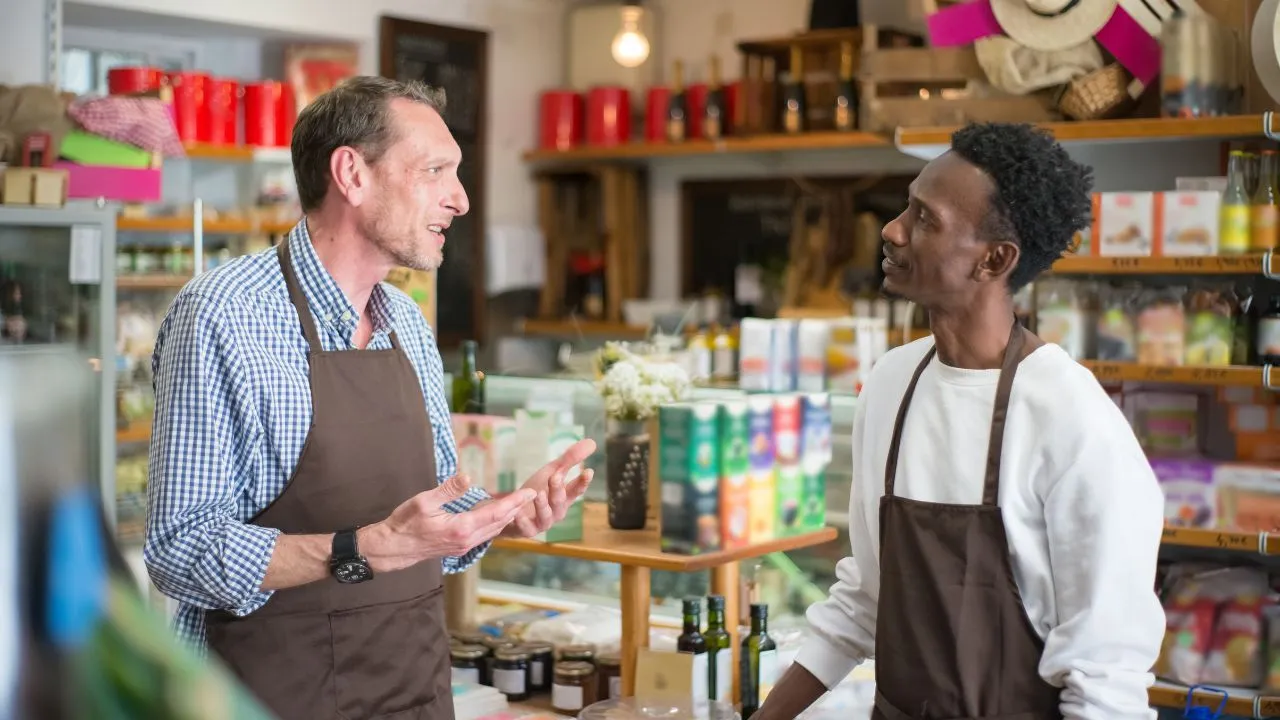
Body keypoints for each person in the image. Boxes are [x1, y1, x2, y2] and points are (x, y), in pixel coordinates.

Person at [144, 76, 594, 720]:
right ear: (352, 174)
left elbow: (430, 512)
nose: (461, 200)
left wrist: (503, 510)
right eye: (436, 170)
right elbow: (180, 551)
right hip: (266, 698)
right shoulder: (222, 316)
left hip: (412, 694)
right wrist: (363, 548)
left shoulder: (405, 322)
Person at [755, 123, 1165, 720]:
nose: (892, 230)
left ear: (994, 260)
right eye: (906, 207)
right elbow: (866, 598)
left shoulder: (1070, 419)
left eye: (925, 219)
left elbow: (1105, 681)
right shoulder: (893, 383)